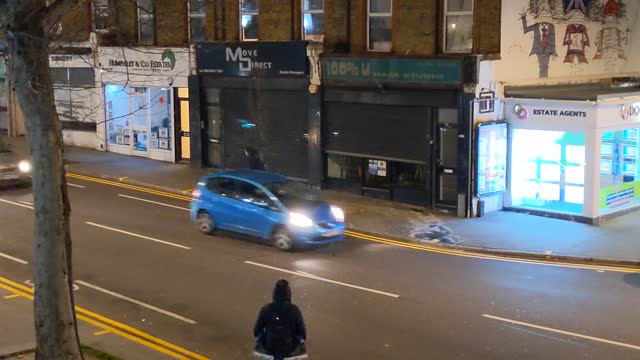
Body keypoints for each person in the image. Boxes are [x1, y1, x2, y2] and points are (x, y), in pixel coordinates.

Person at [254, 279, 307, 360]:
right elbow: (302, 333)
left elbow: (257, 330)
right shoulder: (294, 310)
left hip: (270, 347)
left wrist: (261, 339)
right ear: (289, 293)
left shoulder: (267, 309)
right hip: (288, 349)